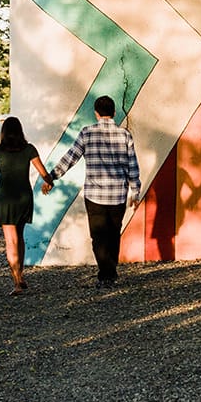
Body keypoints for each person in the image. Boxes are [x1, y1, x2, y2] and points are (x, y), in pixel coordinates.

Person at [49, 95, 141, 286]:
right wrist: (136, 191)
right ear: (114, 113)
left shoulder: (87, 133)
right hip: (117, 195)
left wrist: (52, 176)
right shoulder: (124, 135)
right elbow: (132, 165)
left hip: (94, 195)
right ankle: (110, 272)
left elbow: (71, 157)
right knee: (114, 233)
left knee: (98, 235)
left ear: (96, 113)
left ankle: (105, 273)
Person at [0, 116, 54, 294]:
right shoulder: (29, 149)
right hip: (24, 197)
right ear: (20, 131)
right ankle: (21, 275)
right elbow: (43, 172)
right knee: (20, 237)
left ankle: (16, 282)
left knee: (11, 241)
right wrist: (49, 182)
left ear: (3, 132)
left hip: (6, 198)